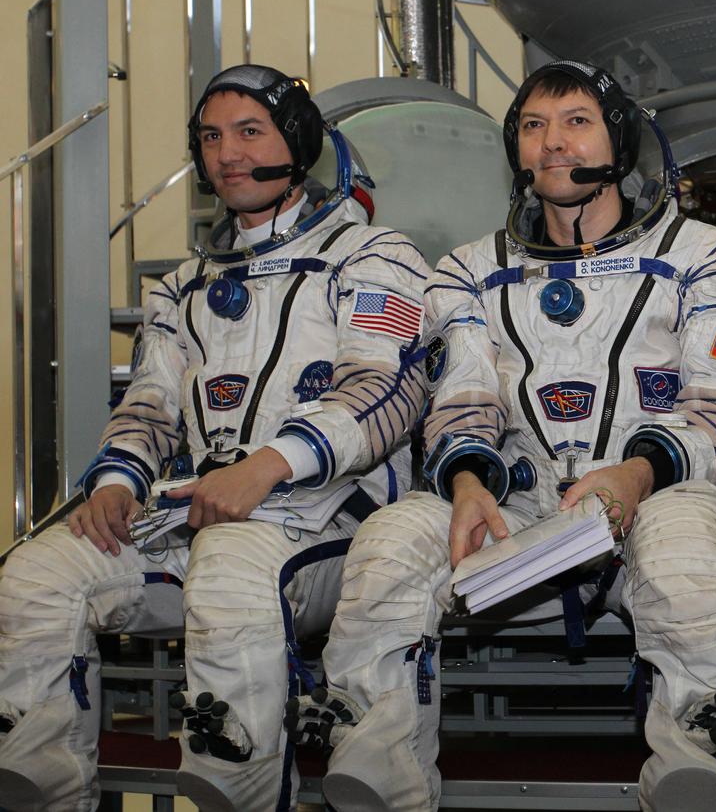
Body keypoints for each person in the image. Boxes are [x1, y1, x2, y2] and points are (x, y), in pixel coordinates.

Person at [289, 60, 716, 812]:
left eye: (577, 122)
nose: (554, 143)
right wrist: (469, 479)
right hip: (520, 517)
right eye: (534, 126)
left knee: (685, 535)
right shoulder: (468, 270)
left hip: (655, 500)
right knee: (392, 537)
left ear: (620, 138)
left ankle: (701, 762)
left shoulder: (711, 255)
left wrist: (636, 475)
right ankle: (373, 759)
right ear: (515, 148)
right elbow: (462, 400)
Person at [0, 64, 429, 812]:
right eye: (210, 137)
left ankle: (239, 785)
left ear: (297, 141)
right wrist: (116, 484)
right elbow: (149, 406)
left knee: (232, 564)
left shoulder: (372, 255)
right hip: (199, 515)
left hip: (330, 525)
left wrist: (268, 464)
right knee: (38, 574)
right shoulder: (183, 286)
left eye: (248, 132)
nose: (226, 153)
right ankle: (39, 783)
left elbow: (386, 391)